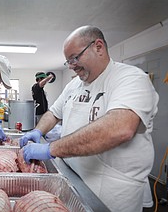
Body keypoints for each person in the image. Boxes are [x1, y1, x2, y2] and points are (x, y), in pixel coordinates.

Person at [19, 25, 159, 212]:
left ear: (98, 47)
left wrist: (51, 148)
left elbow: (119, 129)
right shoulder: (74, 84)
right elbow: (53, 113)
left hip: (112, 193)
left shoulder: (130, 78)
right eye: (68, 61)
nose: (71, 66)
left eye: (75, 58)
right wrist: (37, 131)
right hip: (74, 178)